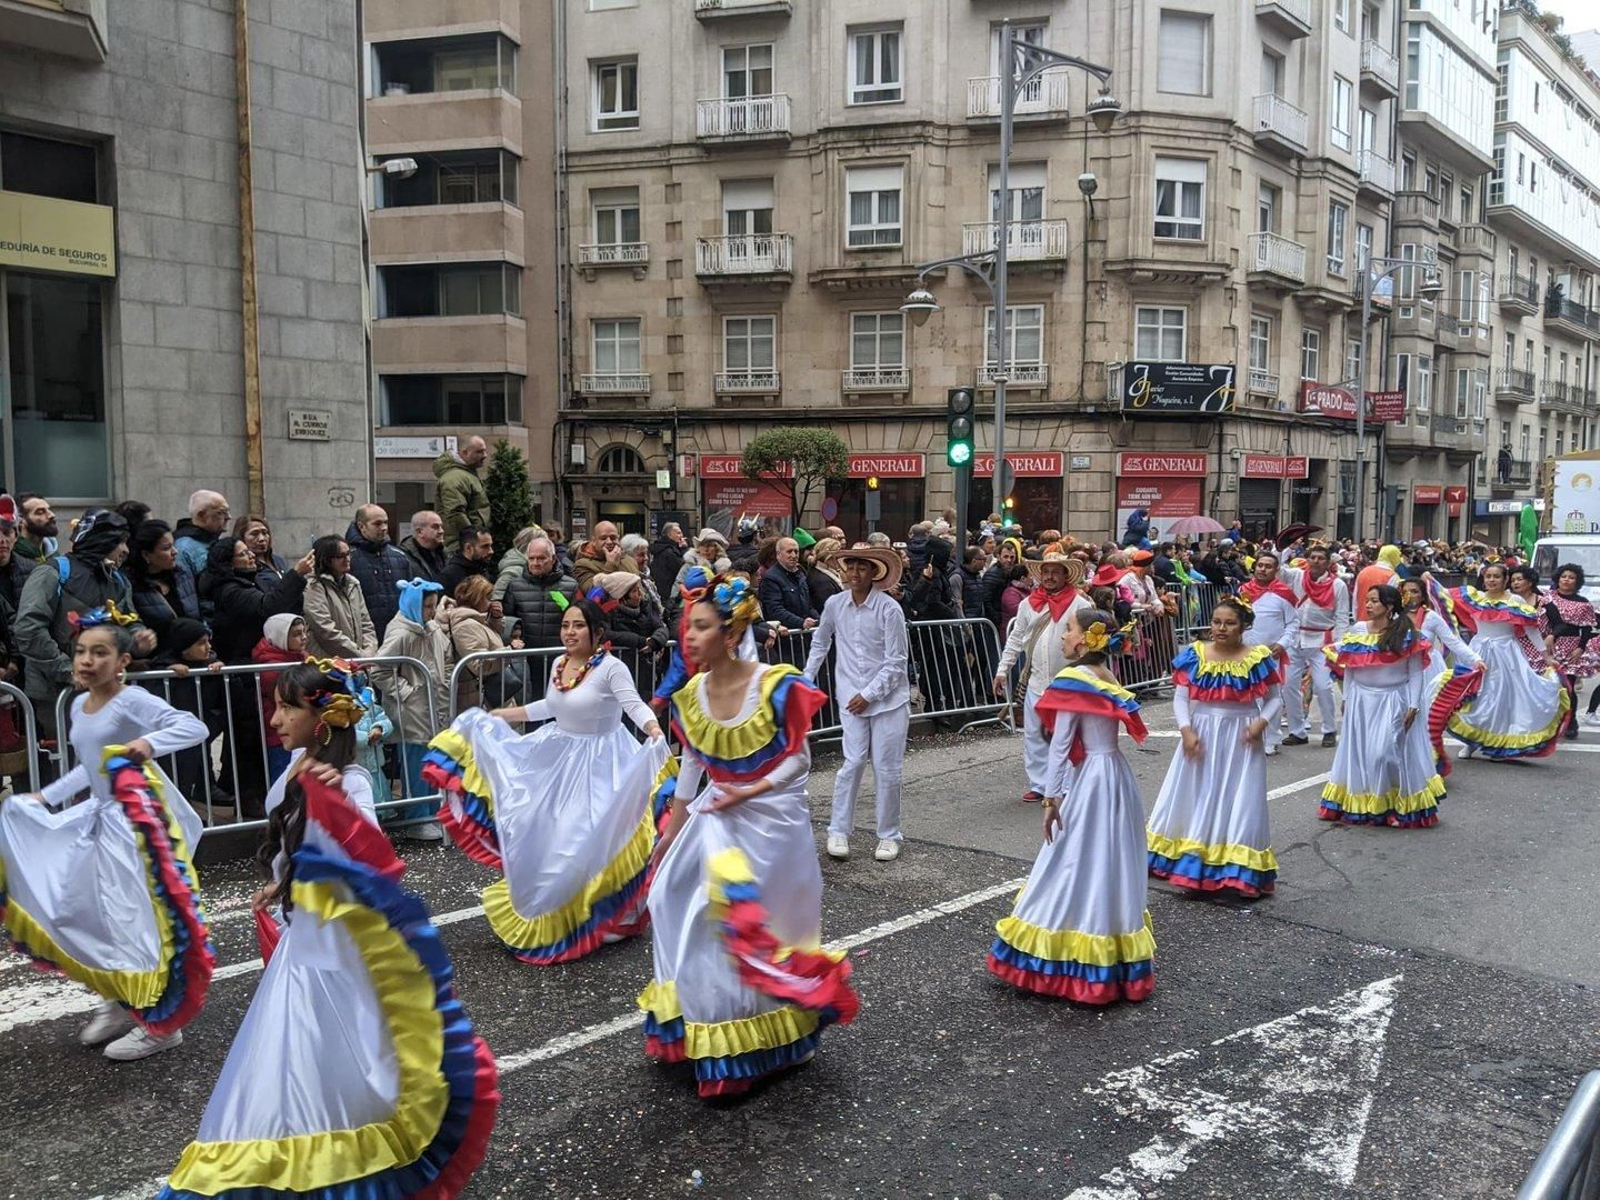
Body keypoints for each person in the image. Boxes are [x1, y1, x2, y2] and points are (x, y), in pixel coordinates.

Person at [158, 659, 497, 1199]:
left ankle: (327, 1159)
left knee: (322, 1057)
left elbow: (367, 856)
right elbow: (300, 844)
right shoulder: (295, 763)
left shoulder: (352, 781)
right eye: (275, 704)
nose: (275, 717)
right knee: (301, 1060)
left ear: (322, 720)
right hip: (303, 940)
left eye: (286, 706)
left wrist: (335, 805)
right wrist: (281, 882)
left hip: (331, 951)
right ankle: (304, 1155)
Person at [645, 575, 856, 1098]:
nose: (688, 637)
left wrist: (748, 790)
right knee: (679, 904)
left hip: (772, 823)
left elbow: (799, 759)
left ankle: (769, 1037)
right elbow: (692, 761)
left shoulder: (774, 683)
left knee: (766, 933)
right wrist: (671, 829)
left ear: (731, 630)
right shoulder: (691, 693)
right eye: (686, 627)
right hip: (716, 816)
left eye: (701, 627)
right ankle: (711, 1028)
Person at [0, 608, 212, 1060]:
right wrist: (46, 797)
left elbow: (193, 726)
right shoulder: (79, 703)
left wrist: (148, 744)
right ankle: (119, 999)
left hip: (135, 826)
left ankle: (160, 1024)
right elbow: (90, 768)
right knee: (87, 912)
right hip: (99, 820)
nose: (87, 661)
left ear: (122, 662)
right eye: (81, 652)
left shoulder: (132, 701)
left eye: (100, 653)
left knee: (130, 918)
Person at [425, 598, 669, 963]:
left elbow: (632, 704)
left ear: (596, 632)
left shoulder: (611, 668)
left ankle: (609, 915)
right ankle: (560, 912)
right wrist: (501, 715)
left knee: (594, 837)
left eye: (578, 626)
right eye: (566, 625)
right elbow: (552, 708)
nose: (569, 633)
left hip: (601, 762)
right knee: (545, 834)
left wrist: (651, 728)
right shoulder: (560, 663)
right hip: (558, 756)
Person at [986, 608, 1153, 1003]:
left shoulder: (1074, 678)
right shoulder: (1106, 676)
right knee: (1108, 864)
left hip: (1091, 780)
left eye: (1069, 630)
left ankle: (1059, 959)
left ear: (1083, 640)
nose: (1062, 636)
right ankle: (1108, 957)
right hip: (1115, 776)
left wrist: (1051, 797)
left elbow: (1059, 746)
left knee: (1069, 861)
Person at [1147, 598, 1282, 898]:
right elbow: (1182, 698)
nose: (1221, 628)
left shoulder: (1257, 657)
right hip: (1203, 730)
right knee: (1200, 794)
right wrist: (1186, 730)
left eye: (1229, 623)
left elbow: (1275, 698)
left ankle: (1241, 870)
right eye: (1217, 621)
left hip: (1242, 733)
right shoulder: (1195, 655)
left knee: (1241, 798)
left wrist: (1261, 723)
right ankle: (1192, 863)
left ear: (1244, 626)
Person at [805, 544, 909, 864]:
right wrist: (805, 679)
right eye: (850, 567)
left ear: (874, 573)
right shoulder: (835, 604)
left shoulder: (889, 609)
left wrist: (870, 694)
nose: (854, 573)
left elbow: (896, 661)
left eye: (862, 568)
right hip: (851, 698)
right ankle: (838, 830)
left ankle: (889, 834)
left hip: (889, 701)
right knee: (851, 764)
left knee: (887, 768)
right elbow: (820, 642)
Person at [14, 509, 156, 741]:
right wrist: (68, 670)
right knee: (66, 763)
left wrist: (137, 638)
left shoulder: (118, 580)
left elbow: (128, 620)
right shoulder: (52, 572)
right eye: (121, 542)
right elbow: (28, 628)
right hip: (55, 693)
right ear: (104, 541)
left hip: (102, 687)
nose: (126, 551)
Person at [1318, 585, 1443, 827]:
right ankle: (1373, 805)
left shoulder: (1408, 634)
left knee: (1385, 754)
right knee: (1362, 755)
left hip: (1392, 701)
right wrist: (1347, 699)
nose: (1368, 605)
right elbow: (1351, 668)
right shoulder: (1358, 630)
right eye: (1367, 600)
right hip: (1361, 702)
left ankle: (1396, 801)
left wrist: (1414, 706)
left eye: (1374, 601)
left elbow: (1415, 673)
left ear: (1389, 606)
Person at [994, 553, 1094, 802]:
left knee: (1068, 734)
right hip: (1037, 681)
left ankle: (1067, 785)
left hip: (1069, 681)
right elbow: (1016, 638)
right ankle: (1040, 784)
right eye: (1045, 572)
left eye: (1055, 572)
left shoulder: (1080, 605)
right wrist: (1002, 669)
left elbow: (1091, 641)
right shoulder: (1028, 604)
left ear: (1065, 575)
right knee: (1035, 734)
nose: (1049, 577)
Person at [1442, 564, 1569, 760]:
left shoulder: (1515, 600)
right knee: (1473, 698)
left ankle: (1497, 743)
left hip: (1506, 653)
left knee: (1501, 700)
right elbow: (1440, 595)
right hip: (1478, 652)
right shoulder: (1475, 597)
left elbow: (1530, 629)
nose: (1491, 580)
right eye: (1488, 576)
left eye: (1496, 577)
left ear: (1505, 579)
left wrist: (1545, 656)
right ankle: (1471, 742)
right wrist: (1425, 578)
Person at [372, 579, 453, 841]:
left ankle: (431, 812)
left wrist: (447, 681)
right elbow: (379, 669)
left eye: (432, 605)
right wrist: (407, 691)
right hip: (413, 710)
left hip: (432, 706)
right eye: (427, 606)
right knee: (417, 764)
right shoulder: (402, 633)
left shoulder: (431, 629)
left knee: (430, 761)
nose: (431, 611)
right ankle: (417, 817)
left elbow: (447, 657)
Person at [1281, 543, 1349, 748]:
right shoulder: (1296, 576)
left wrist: (1340, 644)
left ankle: (1329, 729)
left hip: (1322, 642)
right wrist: (1282, 547)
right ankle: (1297, 730)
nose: (1316, 561)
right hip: (1295, 638)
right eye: (1313, 557)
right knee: (1288, 685)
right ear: (1308, 559)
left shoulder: (1338, 586)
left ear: (1328, 563)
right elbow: (1278, 571)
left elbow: (1342, 617)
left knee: (1322, 686)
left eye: (1321, 558)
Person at [1238, 550, 1300, 755]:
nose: (1263, 569)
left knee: (1271, 696)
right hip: (1246, 653)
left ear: (1276, 570)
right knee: (1248, 697)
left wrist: (1282, 644)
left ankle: (1272, 738)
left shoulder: (1284, 593)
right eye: (1260, 565)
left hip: (1271, 653)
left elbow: (1293, 623)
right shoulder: (1243, 591)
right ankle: (1252, 735)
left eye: (1268, 566)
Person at [127, 519, 202, 654]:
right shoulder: (131, 586)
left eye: (173, 545)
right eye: (166, 548)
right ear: (146, 555)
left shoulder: (183, 575)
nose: (175, 552)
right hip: (159, 663)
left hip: (194, 658)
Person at [1539, 564, 1598, 737]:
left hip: (1572, 647)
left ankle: (1571, 722)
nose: (1566, 580)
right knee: (1549, 686)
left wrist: (1581, 648)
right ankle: (1550, 723)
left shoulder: (1584, 603)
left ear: (1577, 581)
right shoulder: (1547, 598)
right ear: (1558, 578)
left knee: (1569, 686)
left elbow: (1587, 629)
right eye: (1564, 576)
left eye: (1571, 577)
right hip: (1548, 646)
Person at [302, 533, 378, 660]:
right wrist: (359, 654)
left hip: (357, 661)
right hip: (327, 662)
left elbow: (366, 624)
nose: (347, 559)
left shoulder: (353, 583)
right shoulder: (314, 586)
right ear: (326, 559)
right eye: (340, 556)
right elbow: (324, 630)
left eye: (348, 554)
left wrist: (370, 650)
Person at [438, 575, 508, 712]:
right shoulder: (466, 625)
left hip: (483, 693)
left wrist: (496, 618)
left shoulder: (476, 618)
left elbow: (491, 637)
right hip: (477, 696)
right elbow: (480, 665)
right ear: (477, 598)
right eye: (487, 598)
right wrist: (510, 651)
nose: (491, 602)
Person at [252, 613, 308, 782]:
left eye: (305, 632)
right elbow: (296, 693)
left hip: (299, 729)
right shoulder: (271, 667)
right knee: (284, 781)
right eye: (296, 634)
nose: (304, 637)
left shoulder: (301, 656)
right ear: (281, 637)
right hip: (280, 735)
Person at [1399, 577, 1480, 693]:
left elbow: (1453, 642)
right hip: (1402, 669)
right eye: (1405, 592)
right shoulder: (1395, 617)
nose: (1410, 595)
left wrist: (1475, 659)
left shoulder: (1431, 617)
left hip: (1428, 669)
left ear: (1422, 597)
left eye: (1414, 591)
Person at [345, 504, 413, 640]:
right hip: (363, 637)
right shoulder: (347, 558)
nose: (384, 528)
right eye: (377, 524)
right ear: (361, 526)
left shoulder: (399, 556)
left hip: (398, 634)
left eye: (386, 522)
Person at [501, 536, 579, 654]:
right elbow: (507, 621)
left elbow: (578, 620)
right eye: (531, 558)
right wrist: (512, 639)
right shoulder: (514, 586)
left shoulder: (571, 586)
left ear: (553, 559)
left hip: (560, 654)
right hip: (525, 655)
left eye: (541, 558)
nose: (535, 563)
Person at [434, 433, 493, 546]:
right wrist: (474, 539)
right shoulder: (454, 478)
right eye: (479, 452)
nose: (485, 455)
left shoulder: (466, 474)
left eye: (484, 451)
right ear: (465, 452)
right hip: (460, 547)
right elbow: (455, 513)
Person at [760, 535, 819, 631]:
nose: (794, 555)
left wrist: (818, 620)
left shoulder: (800, 574)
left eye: (796, 551)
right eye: (789, 551)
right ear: (778, 554)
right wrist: (801, 622)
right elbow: (775, 610)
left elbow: (808, 606)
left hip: (803, 635)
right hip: (786, 635)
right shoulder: (771, 578)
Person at [171, 490, 230, 580]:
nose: (228, 517)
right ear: (202, 515)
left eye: (227, 512)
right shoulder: (183, 548)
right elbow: (185, 588)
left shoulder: (214, 539)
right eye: (221, 512)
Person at [439, 525, 497, 599]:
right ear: (468, 548)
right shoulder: (448, 576)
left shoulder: (483, 569)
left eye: (491, 546)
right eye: (485, 546)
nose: (491, 551)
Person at [572, 520, 626, 592]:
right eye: (603, 538)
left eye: (613, 537)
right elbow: (590, 591)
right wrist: (610, 566)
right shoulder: (582, 565)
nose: (609, 542)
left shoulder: (629, 560)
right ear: (594, 541)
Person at [399, 508, 449, 583]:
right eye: (436, 527)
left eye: (441, 526)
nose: (441, 531)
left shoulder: (447, 554)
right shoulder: (402, 557)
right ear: (420, 532)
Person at [1354, 545, 1403, 612]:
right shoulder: (1392, 576)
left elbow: (1355, 598)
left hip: (1360, 618)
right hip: (1381, 620)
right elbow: (1391, 602)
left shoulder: (1363, 572)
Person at [15, 493, 59, 565]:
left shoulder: (54, 555)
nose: (51, 515)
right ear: (21, 520)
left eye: (49, 509)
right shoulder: (11, 558)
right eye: (40, 512)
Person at [650, 521, 687, 600]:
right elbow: (683, 570)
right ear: (669, 535)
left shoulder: (661, 548)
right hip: (669, 595)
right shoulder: (670, 552)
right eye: (678, 533)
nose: (681, 536)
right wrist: (684, 549)